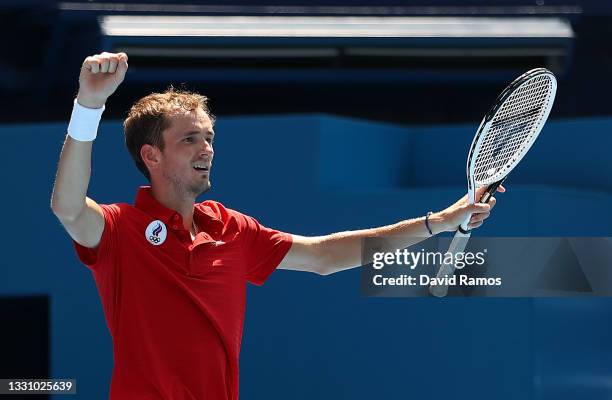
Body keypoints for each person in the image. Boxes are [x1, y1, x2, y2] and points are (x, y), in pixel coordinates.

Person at [51, 52, 502, 400]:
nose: (206, 149)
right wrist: (89, 106)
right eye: (189, 139)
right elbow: (68, 208)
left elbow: (325, 256)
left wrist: (438, 223)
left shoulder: (232, 229)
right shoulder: (120, 230)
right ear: (151, 156)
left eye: (209, 137)